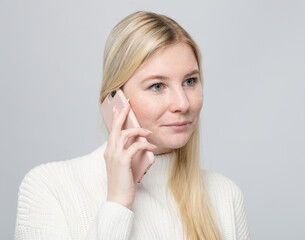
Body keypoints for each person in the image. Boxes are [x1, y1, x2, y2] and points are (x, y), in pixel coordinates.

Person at [14, 11, 251, 240]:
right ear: (115, 99)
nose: (183, 103)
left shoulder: (225, 195)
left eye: (190, 81)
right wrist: (117, 202)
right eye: (157, 86)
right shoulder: (49, 188)